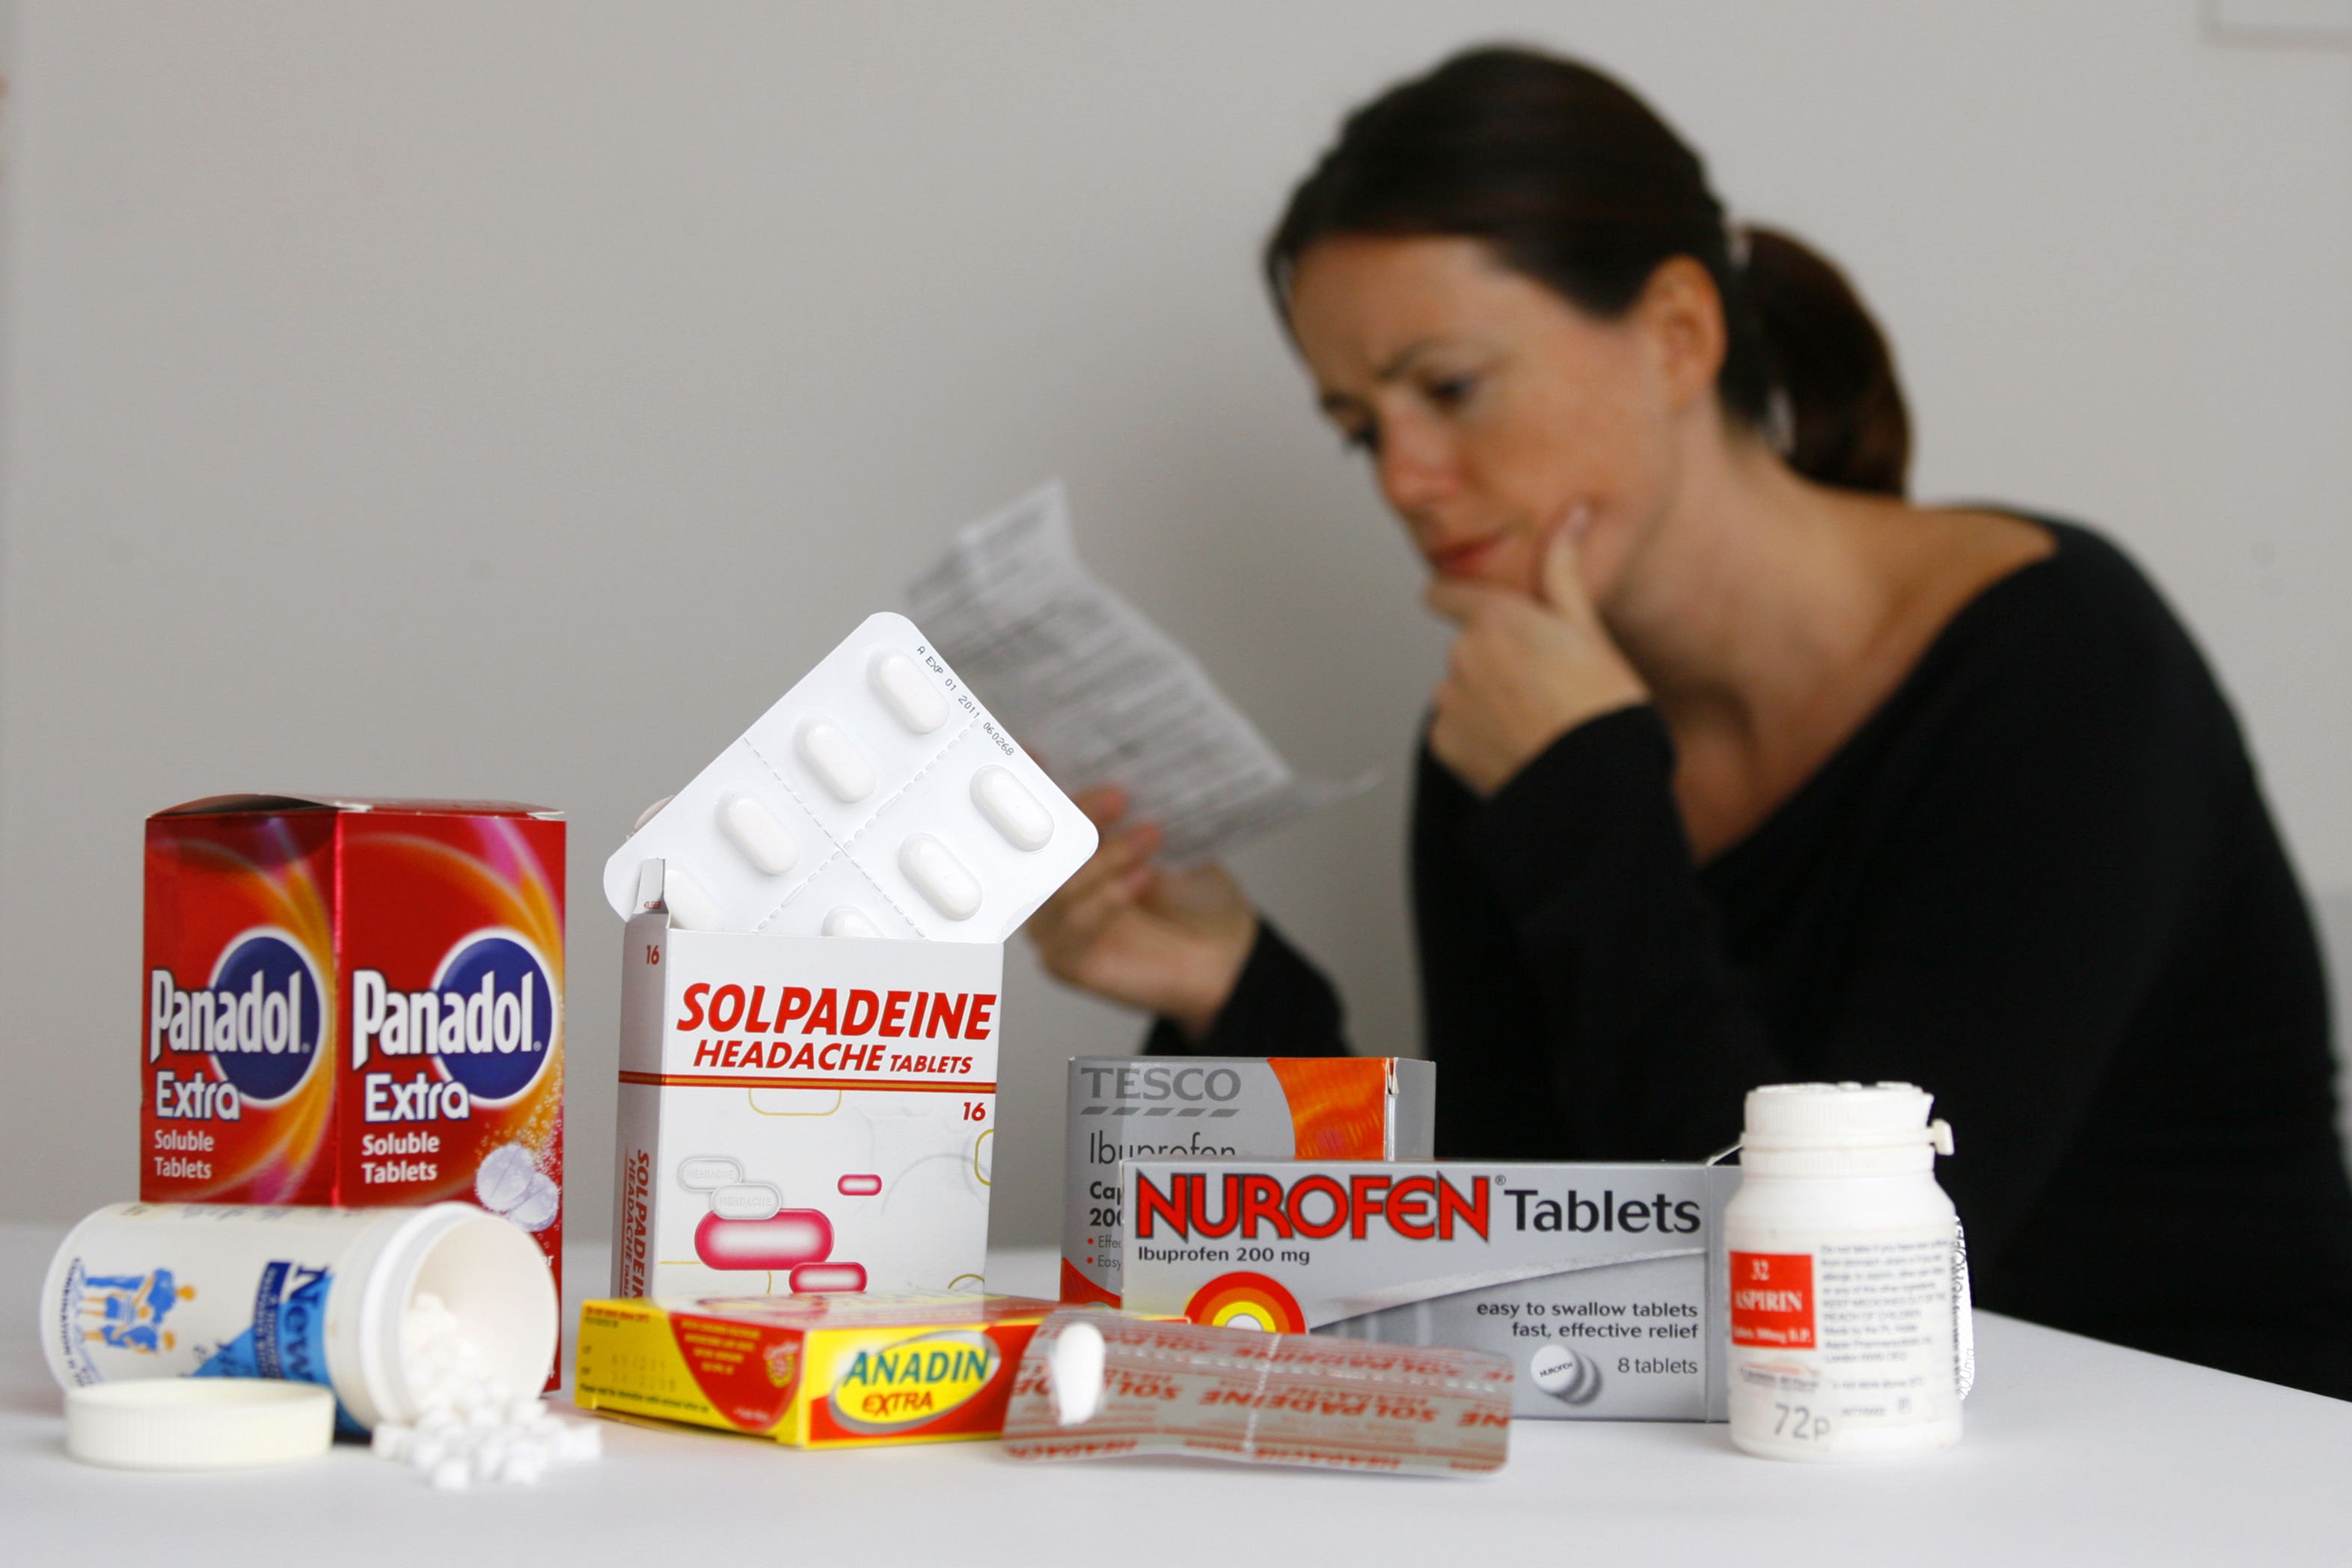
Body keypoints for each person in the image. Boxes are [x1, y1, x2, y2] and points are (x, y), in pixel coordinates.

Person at [1026, 46, 2352, 1399]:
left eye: (1452, 387)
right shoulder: (1507, 732)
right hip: (1774, 1496)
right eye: (1362, 430)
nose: (1410, 480)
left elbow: (1836, 1312)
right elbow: (1523, 1276)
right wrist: (1235, 986)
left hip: (2202, 1461)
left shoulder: (2063, 671)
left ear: (1678, 334)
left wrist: (1582, 801)